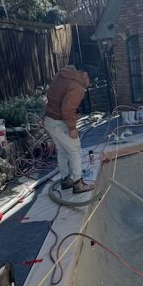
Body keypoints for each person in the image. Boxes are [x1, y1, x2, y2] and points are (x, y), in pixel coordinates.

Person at [43, 65, 94, 194]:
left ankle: (65, 180)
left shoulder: (63, 75)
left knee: (62, 150)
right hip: (58, 122)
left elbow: (51, 95)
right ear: (85, 75)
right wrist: (72, 128)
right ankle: (78, 183)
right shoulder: (77, 87)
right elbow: (67, 109)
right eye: (89, 82)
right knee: (75, 149)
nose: (88, 86)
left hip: (50, 119)